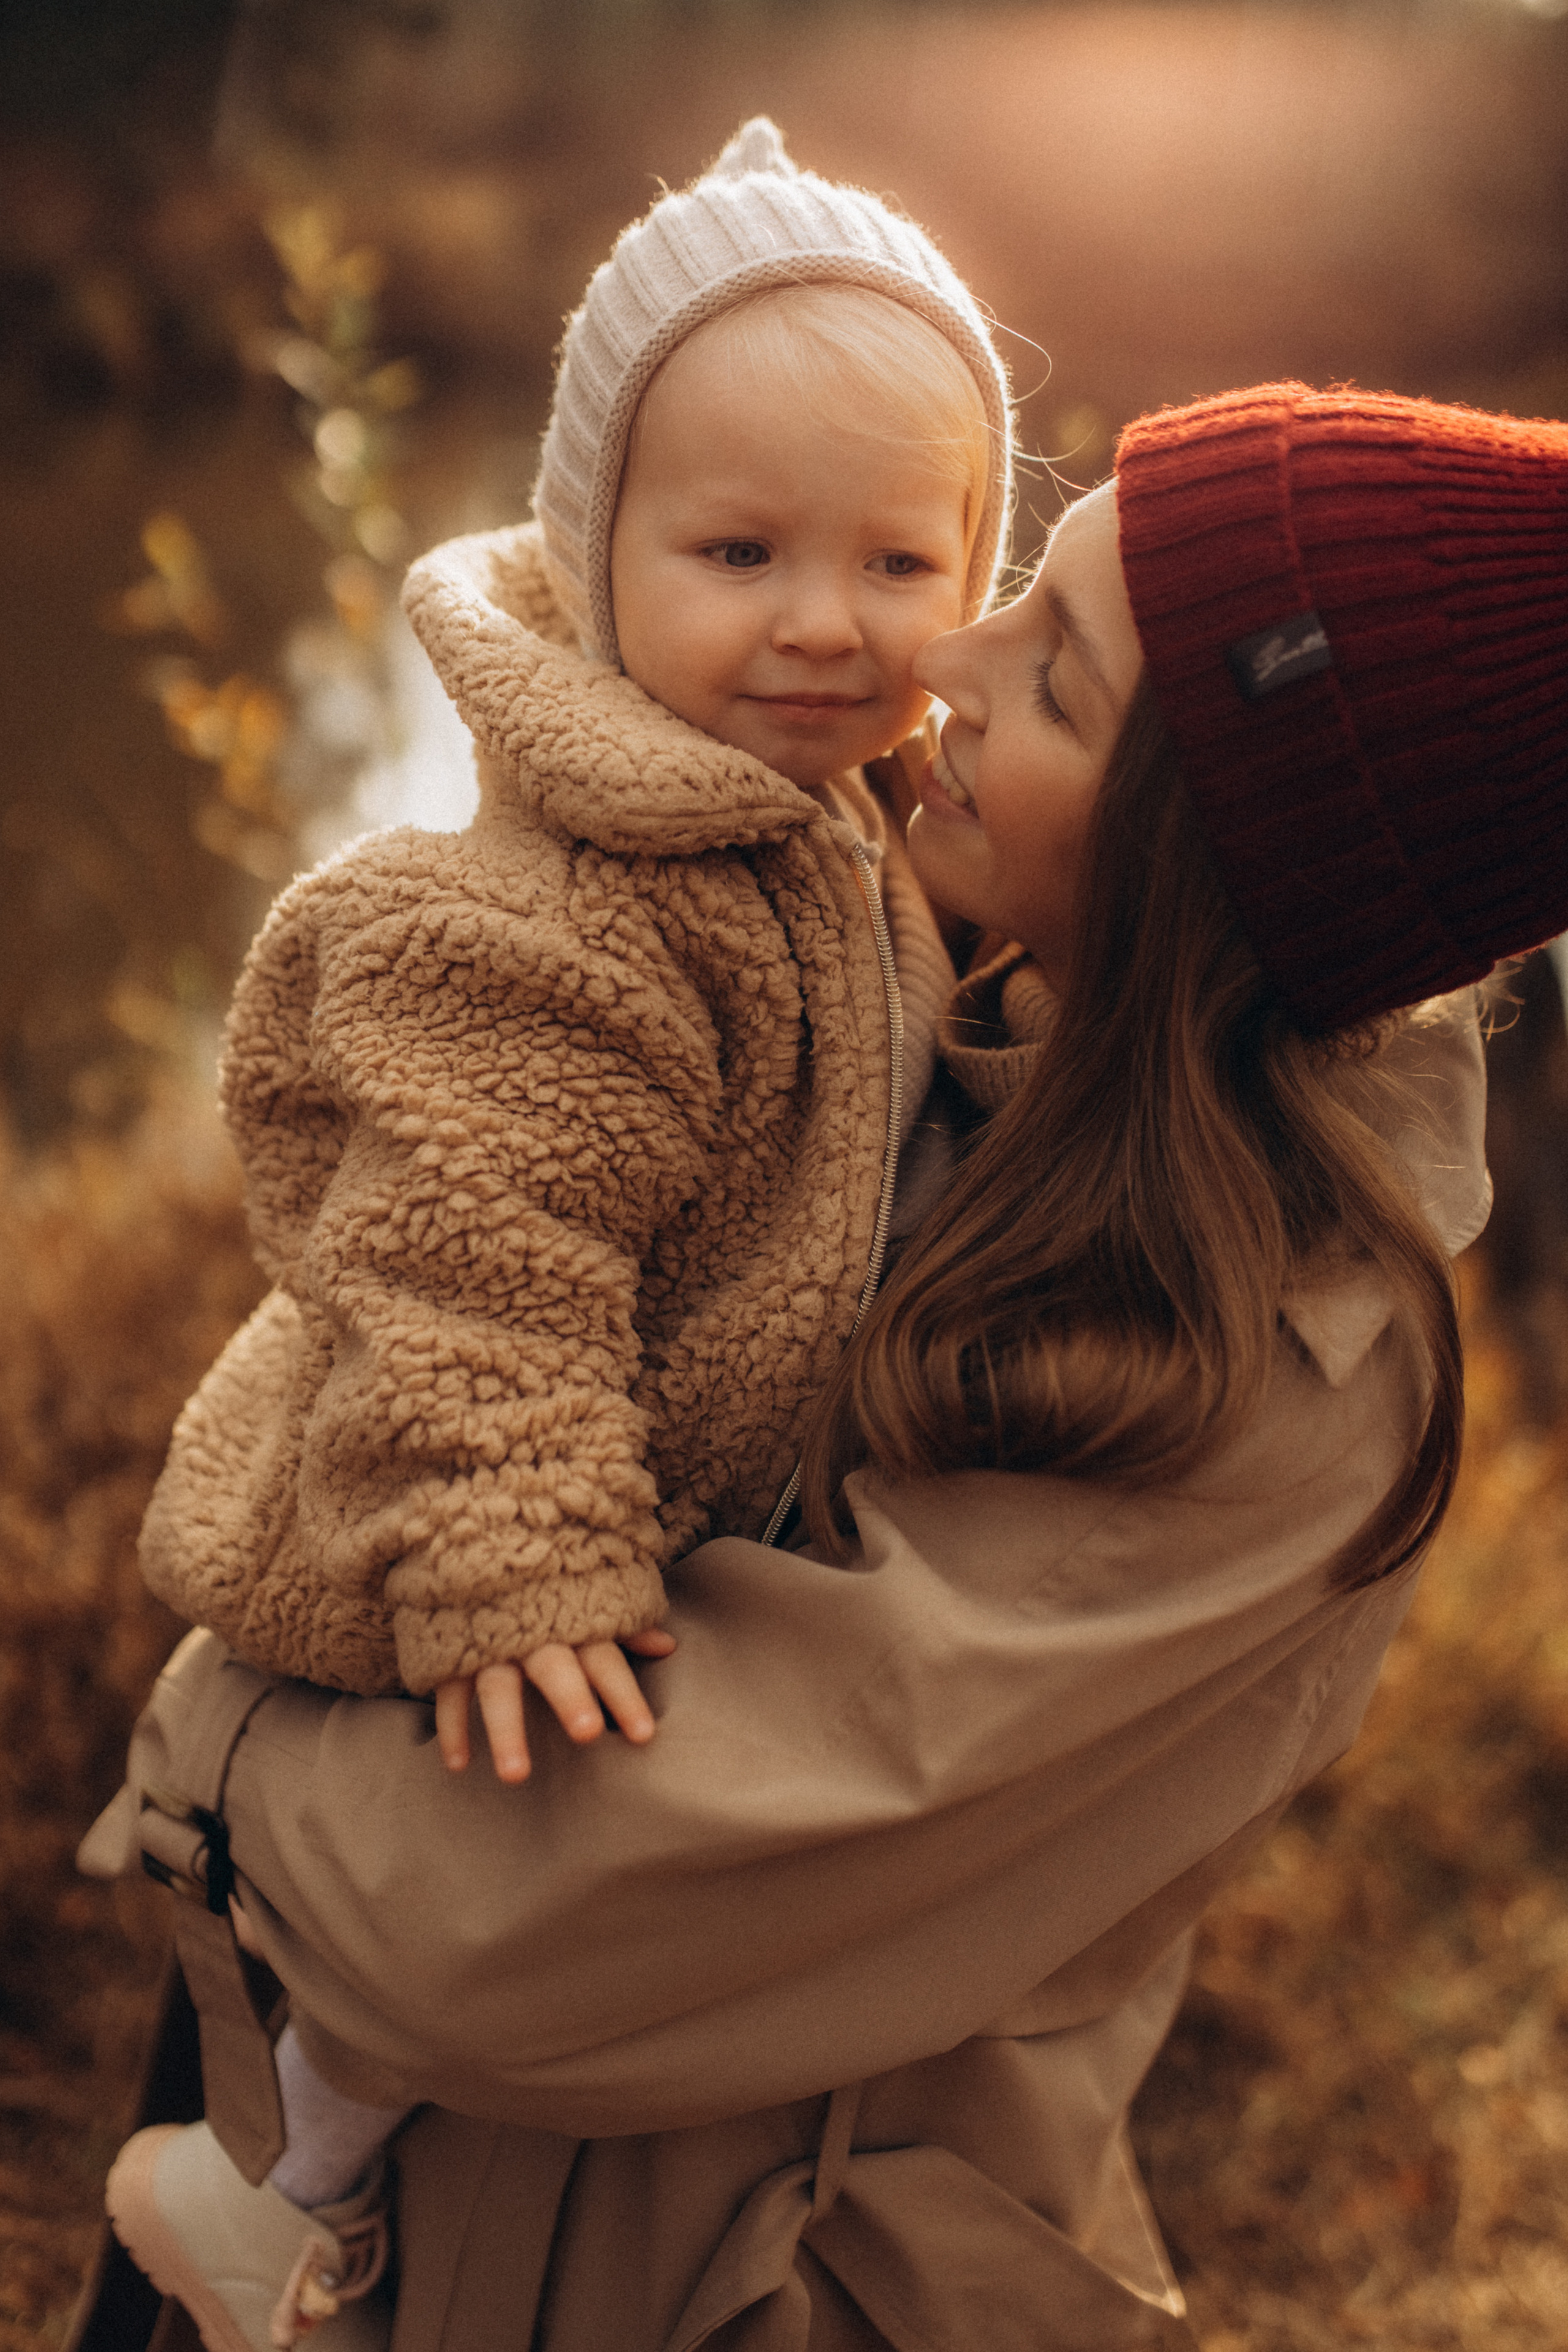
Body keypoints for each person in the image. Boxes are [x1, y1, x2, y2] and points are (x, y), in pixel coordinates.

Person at [81, 381, 1568, 2352]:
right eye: (1024, 582)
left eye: (1055, 682)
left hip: (691, 2284)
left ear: (1210, 880)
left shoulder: (1280, 1392)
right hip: (327, 2176)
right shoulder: (898, 965)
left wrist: (228, 1732)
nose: (939, 654)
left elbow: (490, 1931)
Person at [94, 116, 1014, 2350]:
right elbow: (469, 1257)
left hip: (629, 1491)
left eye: (904, 563)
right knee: (460, 1863)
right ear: (596, 553)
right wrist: (515, 1543)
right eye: (737, 549)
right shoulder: (549, 908)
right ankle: (272, 2183)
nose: (824, 621)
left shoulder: (833, 815)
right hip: (434, 1528)